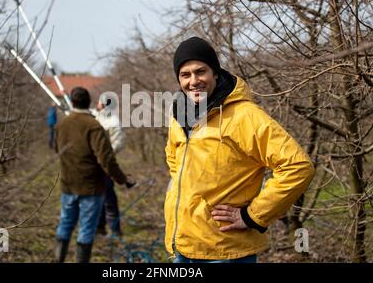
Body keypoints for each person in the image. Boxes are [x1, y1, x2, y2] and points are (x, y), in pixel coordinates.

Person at [164, 37, 315, 263]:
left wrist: (252, 216)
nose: (194, 81)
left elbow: (297, 166)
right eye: (185, 75)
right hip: (184, 246)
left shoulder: (244, 116)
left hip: (225, 250)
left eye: (200, 72)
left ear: (215, 73)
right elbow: (173, 158)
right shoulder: (179, 114)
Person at [54, 87, 133, 263]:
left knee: (65, 223)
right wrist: (123, 179)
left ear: (72, 102)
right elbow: (106, 158)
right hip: (90, 187)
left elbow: (56, 148)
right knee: (86, 229)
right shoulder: (94, 126)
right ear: (89, 102)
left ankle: (58, 259)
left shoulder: (61, 124)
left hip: (67, 184)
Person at [91, 93, 125, 237]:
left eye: (99, 102)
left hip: (105, 163)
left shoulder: (113, 121)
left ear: (104, 105)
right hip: (94, 163)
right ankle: (99, 227)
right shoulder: (96, 116)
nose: (97, 104)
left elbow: (118, 143)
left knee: (108, 196)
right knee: (96, 195)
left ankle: (115, 230)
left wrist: (104, 154)